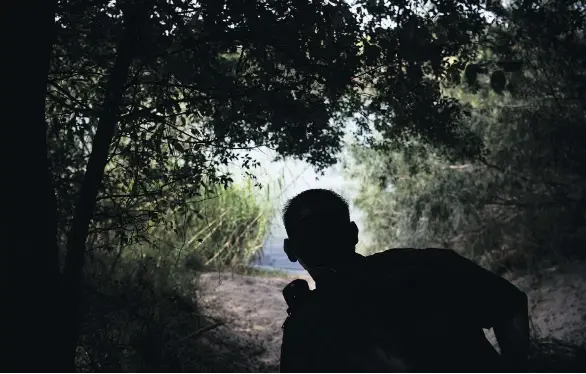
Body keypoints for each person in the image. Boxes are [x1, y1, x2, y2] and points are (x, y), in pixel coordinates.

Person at [279, 188, 530, 372]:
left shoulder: (303, 327)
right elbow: (509, 306)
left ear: (290, 250)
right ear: (353, 233)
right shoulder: (430, 265)